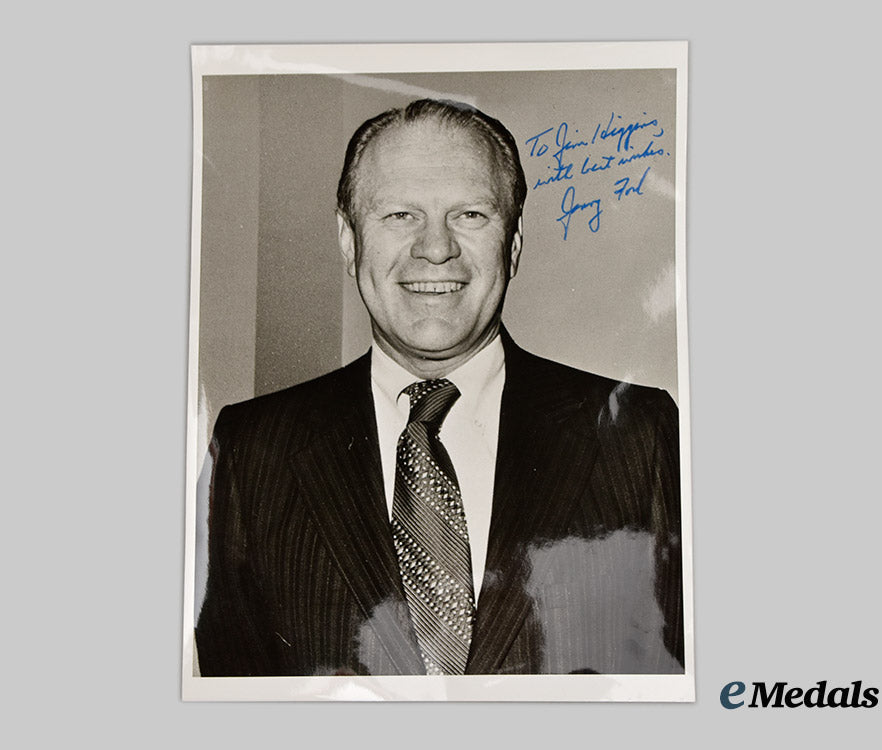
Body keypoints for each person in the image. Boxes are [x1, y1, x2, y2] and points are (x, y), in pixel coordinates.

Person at [195, 98, 683, 677]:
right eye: (400, 215)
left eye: (470, 215)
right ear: (350, 242)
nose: (435, 247)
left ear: (514, 243)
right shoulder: (251, 451)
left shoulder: (638, 433)